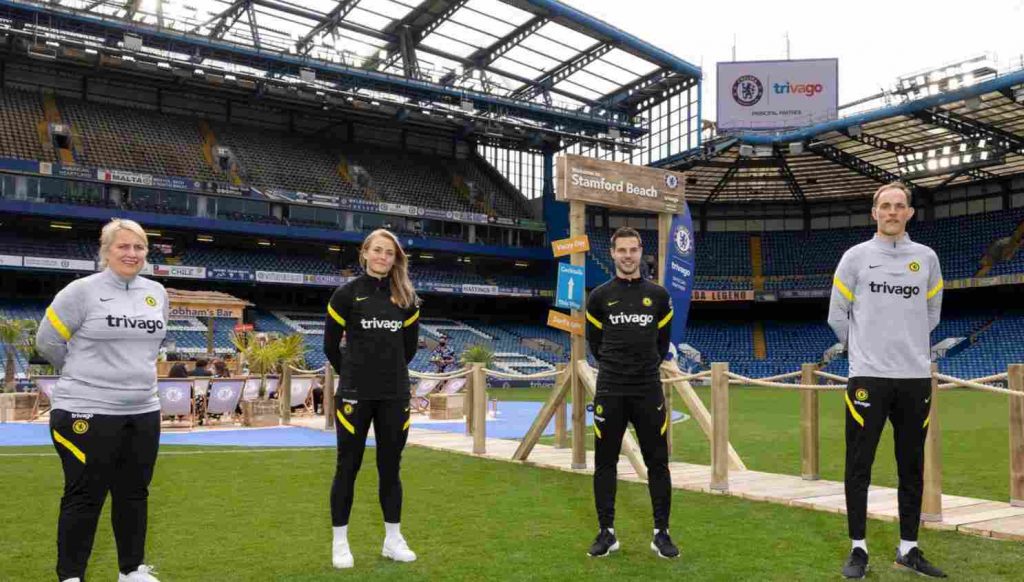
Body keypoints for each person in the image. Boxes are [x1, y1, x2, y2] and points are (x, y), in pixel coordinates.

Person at [35, 218, 167, 582]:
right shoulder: (81, 291)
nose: (132, 253)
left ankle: (131, 571)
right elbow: (47, 342)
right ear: (105, 251)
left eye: (139, 247)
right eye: (123, 246)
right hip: (87, 409)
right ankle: (71, 576)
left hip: (143, 410)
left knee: (134, 493)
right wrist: (82, 376)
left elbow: (153, 345)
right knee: (85, 495)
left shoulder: (157, 292)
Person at [828, 182, 945, 579]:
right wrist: (864, 351)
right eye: (885, 206)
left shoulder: (926, 258)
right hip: (868, 378)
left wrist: (907, 348)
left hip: (914, 378)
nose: (892, 212)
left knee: (911, 466)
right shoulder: (856, 258)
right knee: (859, 465)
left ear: (909, 213)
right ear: (874, 213)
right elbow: (837, 315)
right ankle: (858, 548)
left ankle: (908, 548)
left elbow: (932, 315)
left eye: (899, 206)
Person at [323, 228, 421, 569]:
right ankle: (340, 543)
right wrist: (353, 374)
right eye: (377, 250)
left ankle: (393, 540)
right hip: (354, 395)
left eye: (389, 253)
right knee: (347, 467)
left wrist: (387, 374)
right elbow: (330, 347)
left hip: (394, 395)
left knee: (390, 468)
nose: (383, 257)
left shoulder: (406, 298)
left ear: (396, 260)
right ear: (364, 253)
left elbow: (407, 350)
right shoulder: (345, 295)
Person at [584, 226, 677, 559]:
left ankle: (661, 533)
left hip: (647, 389)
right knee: (605, 463)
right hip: (610, 388)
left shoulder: (659, 296)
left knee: (658, 462)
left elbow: (662, 344)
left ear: (641, 252)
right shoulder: (598, 297)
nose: (627, 256)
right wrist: (616, 368)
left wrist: (643, 367)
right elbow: (595, 345)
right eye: (621, 250)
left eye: (633, 250)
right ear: (612, 253)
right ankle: (606, 532)